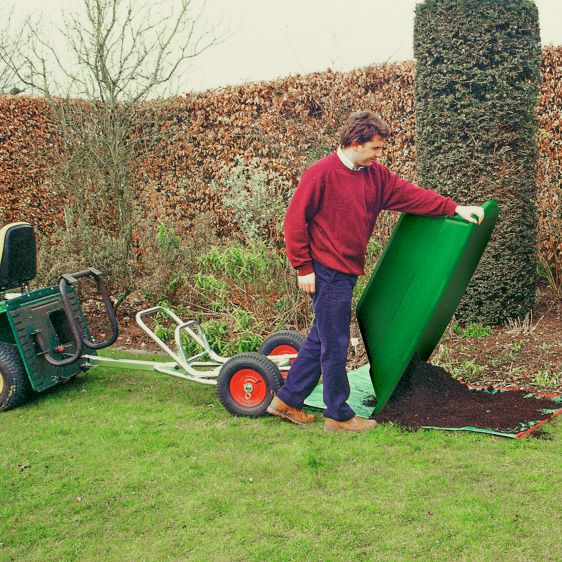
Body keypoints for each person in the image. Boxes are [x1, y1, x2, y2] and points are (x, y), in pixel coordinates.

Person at [267, 111, 484, 432]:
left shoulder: (375, 176)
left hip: (346, 270)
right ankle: (338, 415)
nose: (379, 154)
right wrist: (303, 267)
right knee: (336, 342)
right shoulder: (320, 174)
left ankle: (286, 400)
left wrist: (453, 208)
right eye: (375, 148)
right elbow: (294, 221)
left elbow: (411, 195)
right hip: (326, 271)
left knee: (321, 339)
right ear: (355, 143)